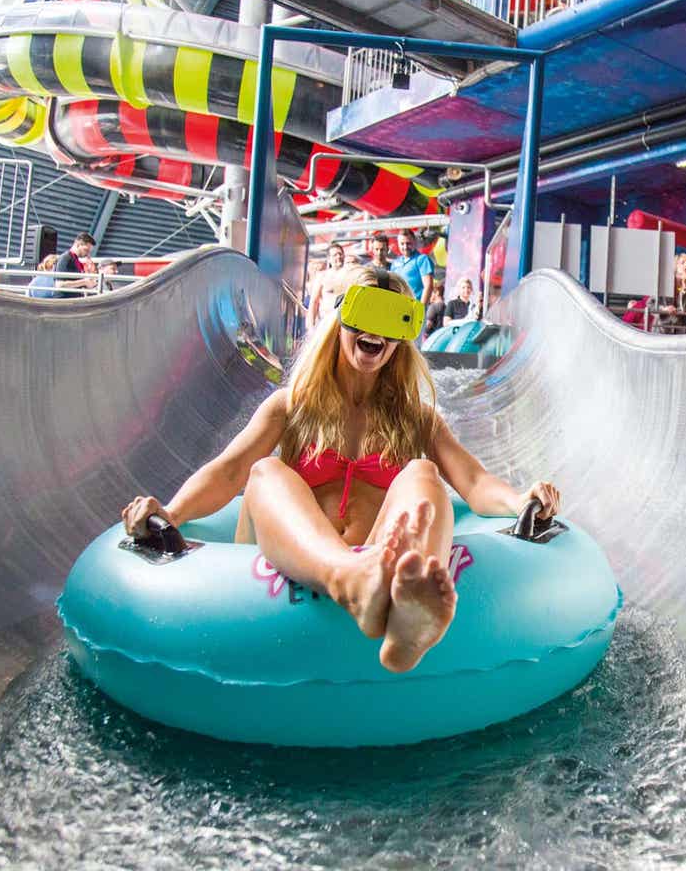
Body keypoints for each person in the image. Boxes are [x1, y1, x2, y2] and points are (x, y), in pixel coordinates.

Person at [120, 266, 561, 674]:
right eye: (366, 312)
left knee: (423, 473)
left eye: (393, 322)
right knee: (266, 474)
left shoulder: (417, 419)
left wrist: (522, 500)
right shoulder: (291, 407)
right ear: (341, 318)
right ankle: (352, 581)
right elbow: (230, 470)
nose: (376, 333)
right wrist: (173, 513)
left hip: (377, 559)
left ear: (403, 336)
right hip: (283, 564)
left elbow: (475, 482)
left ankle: (410, 612)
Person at [659, 253, 686, 334]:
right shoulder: (664, 283)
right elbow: (650, 304)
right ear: (676, 266)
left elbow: (685, 308)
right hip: (662, 329)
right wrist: (664, 309)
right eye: (683, 262)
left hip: (683, 332)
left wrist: (685, 285)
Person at [307, 242, 348, 328]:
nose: (338, 257)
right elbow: (314, 302)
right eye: (335, 255)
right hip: (326, 322)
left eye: (340, 254)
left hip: (344, 323)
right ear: (329, 259)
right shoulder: (322, 276)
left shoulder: (350, 275)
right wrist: (311, 326)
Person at [390, 229, 434, 305]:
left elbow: (428, 286)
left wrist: (420, 308)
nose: (405, 246)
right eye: (402, 244)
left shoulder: (422, 259)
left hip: (414, 306)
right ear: (398, 244)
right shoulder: (395, 263)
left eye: (408, 243)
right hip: (398, 306)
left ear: (415, 242)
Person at [49, 232, 97, 298]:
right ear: (78, 244)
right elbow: (59, 285)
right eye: (86, 250)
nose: (88, 254)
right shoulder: (66, 258)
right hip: (63, 301)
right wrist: (84, 282)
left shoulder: (75, 259)